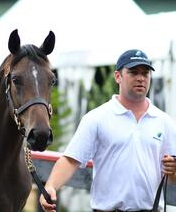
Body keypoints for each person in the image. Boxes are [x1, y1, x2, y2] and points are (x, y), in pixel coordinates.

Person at [40, 49, 176, 212]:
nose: (140, 78)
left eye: (145, 73)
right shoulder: (97, 118)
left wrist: (174, 170)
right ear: (118, 76)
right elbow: (71, 159)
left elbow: (172, 176)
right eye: (133, 72)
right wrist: (51, 186)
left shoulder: (164, 122)